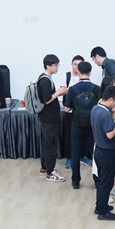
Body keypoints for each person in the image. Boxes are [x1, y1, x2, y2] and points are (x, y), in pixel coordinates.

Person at [65, 60, 100, 189]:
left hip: (77, 124)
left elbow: (67, 109)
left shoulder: (72, 89)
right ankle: (97, 180)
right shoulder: (96, 88)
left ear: (78, 72)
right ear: (90, 72)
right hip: (92, 125)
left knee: (75, 153)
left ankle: (75, 181)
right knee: (94, 153)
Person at [92, 84, 115, 220]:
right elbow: (110, 134)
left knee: (102, 181)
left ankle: (100, 206)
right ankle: (103, 212)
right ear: (111, 99)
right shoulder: (104, 114)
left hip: (99, 150)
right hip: (107, 152)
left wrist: (113, 113)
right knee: (106, 182)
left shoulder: (96, 108)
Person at [37, 54, 68, 182]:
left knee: (47, 143)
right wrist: (59, 93)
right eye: (55, 65)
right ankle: (50, 172)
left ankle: (44, 167)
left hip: (47, 117)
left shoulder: (45, 78)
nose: (57, 67)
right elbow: (47, 100)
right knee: (51, 144)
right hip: (49, 118)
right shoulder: (45, 80)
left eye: (57, 65)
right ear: (48, 66)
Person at [62, 55, 85, 169]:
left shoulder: (84, 77)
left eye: (79, 64)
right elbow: (62, 91)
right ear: (71, 65)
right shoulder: (67, 76)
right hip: (69, 111)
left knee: (84, 135)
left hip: (82, 112)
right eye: (75, 64)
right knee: (69, 135)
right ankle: (69, 157)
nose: (76, 67)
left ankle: (83, 156)